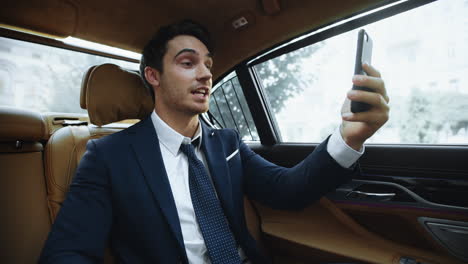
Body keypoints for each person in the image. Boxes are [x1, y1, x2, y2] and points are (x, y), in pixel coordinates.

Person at [40, 20, 389, 264]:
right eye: (188, 63)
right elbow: (69, 253)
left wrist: (348, 137)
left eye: (208, 64)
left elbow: (288, 189)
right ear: (153, 76)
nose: (206, 74)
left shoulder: (227, 142)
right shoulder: (107, 156)